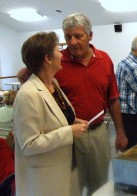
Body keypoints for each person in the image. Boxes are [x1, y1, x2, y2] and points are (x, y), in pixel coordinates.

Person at [54, 13, 128, 195]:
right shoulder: (56, 62)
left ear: (90, 35)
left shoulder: (104, 60)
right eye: (68, 37)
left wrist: (120, 132)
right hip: (67, 137)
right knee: (71, 187)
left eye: (78, 36)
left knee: (100, 186)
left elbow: (113, 99)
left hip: (98, 134)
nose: (72, 42)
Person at [14, 32, 88, 196]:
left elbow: (54, 116)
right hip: (44, 179)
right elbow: (29, 144)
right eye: (57, 50)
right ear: (48, 58)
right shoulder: (28, 94)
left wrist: (73, 121)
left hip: (65, 168)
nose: (61, 54)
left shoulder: (52, 83)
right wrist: (69, 131)